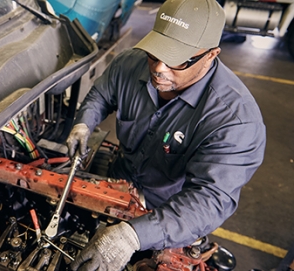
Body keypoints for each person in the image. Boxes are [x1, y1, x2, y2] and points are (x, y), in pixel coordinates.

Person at [66, 0, 266, 271]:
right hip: (117, 181)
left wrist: (134, 235)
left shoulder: (236, 121)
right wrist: (83, 124)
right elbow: (101, 94)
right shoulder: (129, 64)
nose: (159, 68)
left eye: (177, 59)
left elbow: (210, 200)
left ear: (211, 55)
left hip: (168, 213)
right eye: (154, 53)